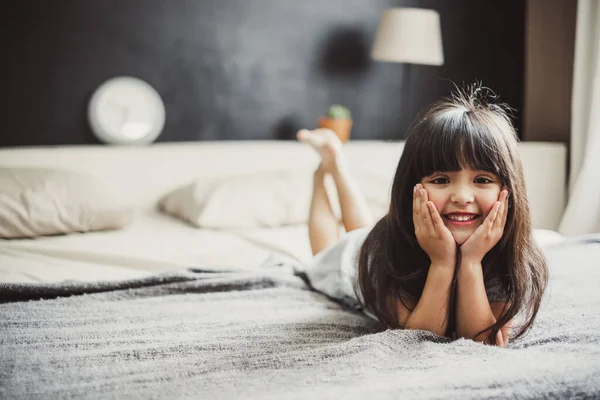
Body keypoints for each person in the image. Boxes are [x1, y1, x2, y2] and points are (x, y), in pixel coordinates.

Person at [297, 84, 548, 347]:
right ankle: (324, 172)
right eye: (441, 180)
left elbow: (483, 341)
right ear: (411, 190)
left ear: (508, 189)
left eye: (482, 180)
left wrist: (471, 261)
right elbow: (418, 337)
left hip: (374, 240)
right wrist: (442, 262)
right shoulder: (388, 248)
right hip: (357, 261)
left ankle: (336, 163)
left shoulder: (509, 252)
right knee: (330, 250)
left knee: (364, 231)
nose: (462, 197)